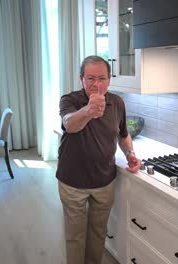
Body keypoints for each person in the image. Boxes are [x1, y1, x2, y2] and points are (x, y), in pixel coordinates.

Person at [56, 55, 141, 264]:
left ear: (109, 79)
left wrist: (130, 154)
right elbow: (69, 124)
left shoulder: (117, 103)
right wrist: (88, 110)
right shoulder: (70, 100)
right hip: (72, 182)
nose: (96, 84)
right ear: (81, 79)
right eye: (90, 78)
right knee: (75, 236)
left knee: (98, 233)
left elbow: (122, 135)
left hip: (104, 181)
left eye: (102, 78)